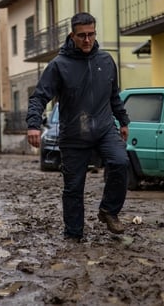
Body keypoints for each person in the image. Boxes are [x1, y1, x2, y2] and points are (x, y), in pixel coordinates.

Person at [26, 12, 130, 241]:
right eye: (82, 35)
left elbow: (114, 96)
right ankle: (73, 236)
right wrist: (33, 125)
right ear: (72, 35)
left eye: (91, 34)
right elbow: (39, 97)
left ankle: (108, 211)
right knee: (73, 188)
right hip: (74, 134)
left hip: (104, 128)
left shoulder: (105, 61)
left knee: (121, 162)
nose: (87, 40)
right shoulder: (59, 65)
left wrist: (123, 120)